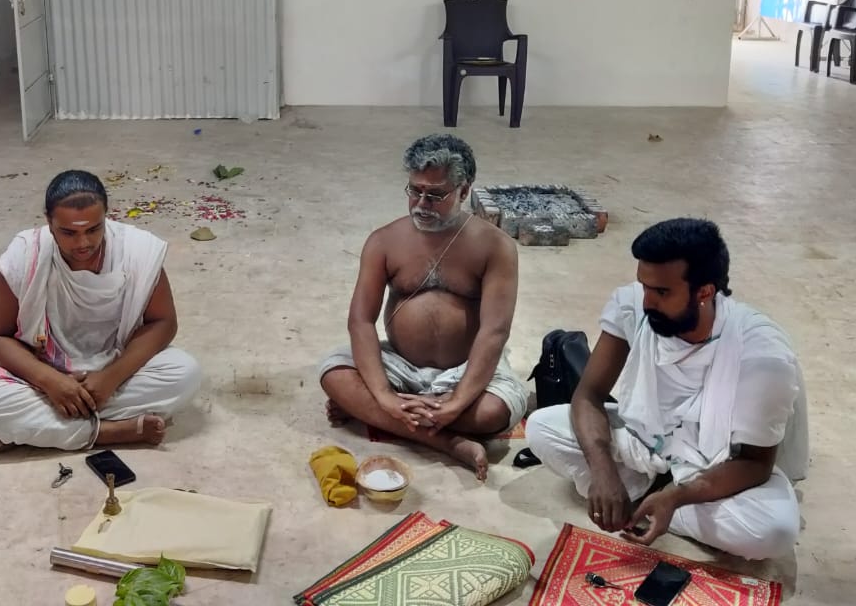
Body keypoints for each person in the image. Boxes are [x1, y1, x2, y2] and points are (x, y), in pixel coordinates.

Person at [525, 218, 808, 560]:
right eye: (644, 285)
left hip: (717, 463)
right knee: (541, 428)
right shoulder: (633, 306)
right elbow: (588, 395)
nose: (647, 302)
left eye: (661, 292)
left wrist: (678, 496)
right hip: (649, 442)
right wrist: (603, 471)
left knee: (774, 532)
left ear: (705, 292)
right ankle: (648, 494)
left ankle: (658, 501)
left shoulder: (762, 355)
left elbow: (754, 463)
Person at [319, 135, 528, 482]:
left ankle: (381, 413)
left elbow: (494, 331)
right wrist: (384, 394)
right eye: (415, 191)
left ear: (464, 190)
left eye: (435, 195)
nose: (421, 204)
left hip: (466, 369)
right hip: (400, 365)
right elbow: (361, 321)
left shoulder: (495, 247)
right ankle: (448, 442)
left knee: (493, 412)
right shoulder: (384, 241)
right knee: (333, 374)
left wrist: (458, 401)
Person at [0, 170, 201, 451]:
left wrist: (110, 379)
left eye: (93, 229)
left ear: (106, 216)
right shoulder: (25, 254)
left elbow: (163, 322)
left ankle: (33, 429)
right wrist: (50, 382)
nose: (83, 244)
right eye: (68, 233)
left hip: (114, 369)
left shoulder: (137, 250)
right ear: (49, 222)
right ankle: (106, 432)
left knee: (184, 373)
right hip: (40, 373)